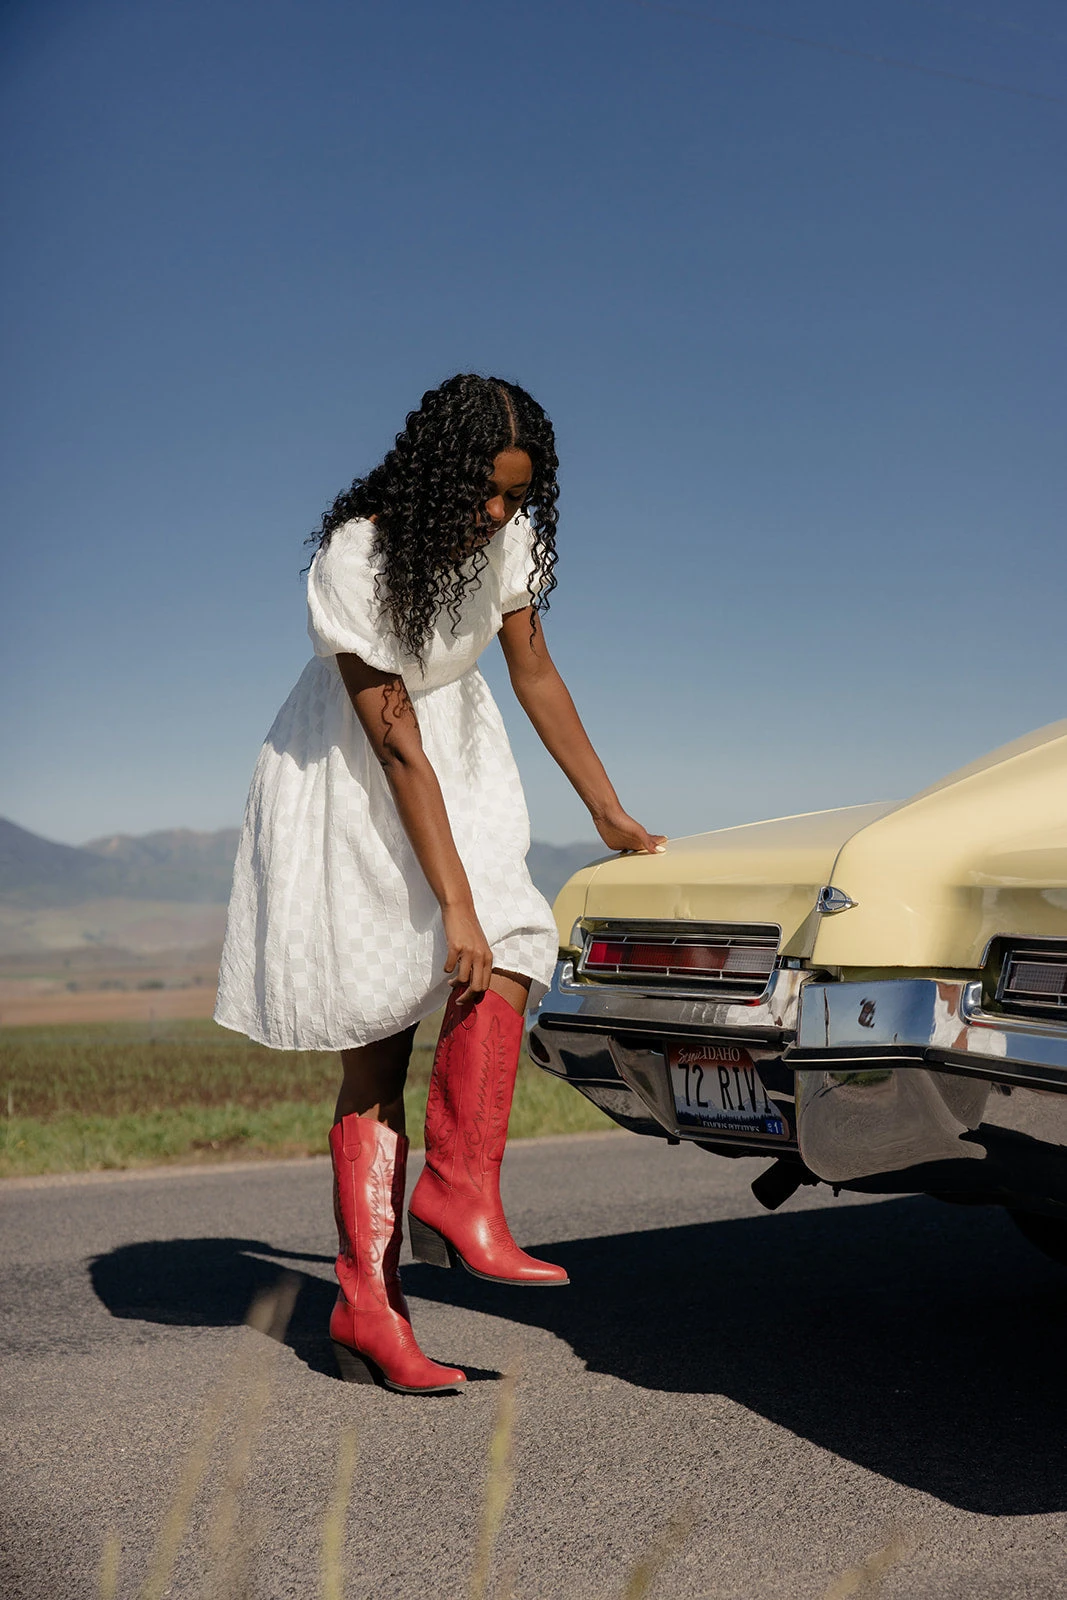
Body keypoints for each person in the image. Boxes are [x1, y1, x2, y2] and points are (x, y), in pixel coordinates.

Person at [215, 374, 665, 1395]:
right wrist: (448, 897)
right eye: (487, 493)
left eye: (518, 496)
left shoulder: (504, 537)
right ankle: (368, 1307)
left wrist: (604, 806)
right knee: (378, 1048)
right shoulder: (356, 556)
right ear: (438, 472)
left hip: (454, 755)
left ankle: (460, 1190)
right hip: (354, 780)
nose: (500, 514)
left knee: (512, 940)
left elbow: (533, 668)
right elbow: (391, 736)